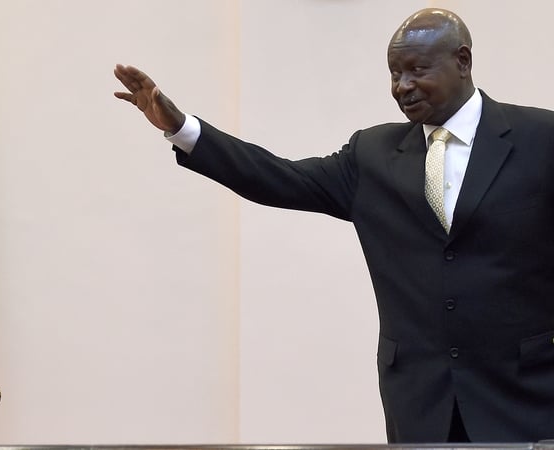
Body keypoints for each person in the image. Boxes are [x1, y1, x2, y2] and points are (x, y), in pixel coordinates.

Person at [115, 8, 554, 444]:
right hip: (422, 402)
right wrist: (182, 129)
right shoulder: (373, 154)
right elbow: (280, 178)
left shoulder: (541, 139)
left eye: (417, 70)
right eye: (394, 74)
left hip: (526, 397)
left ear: (462, 61)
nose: (402, 86)